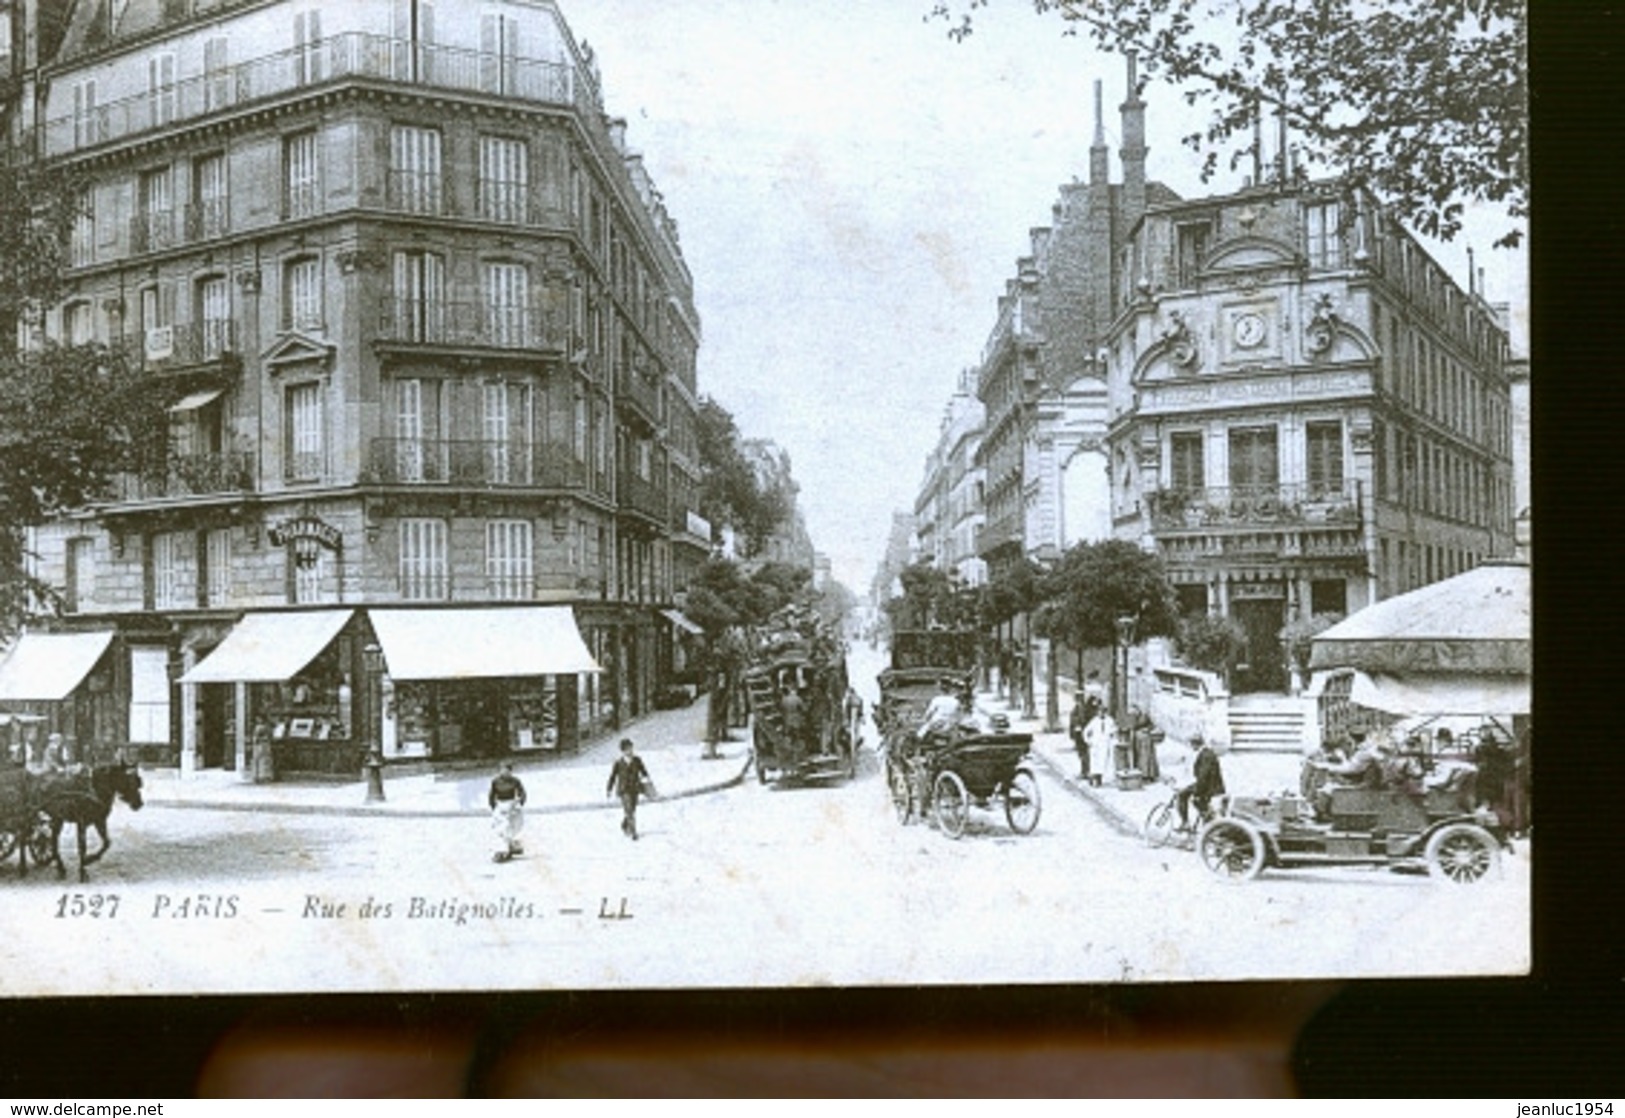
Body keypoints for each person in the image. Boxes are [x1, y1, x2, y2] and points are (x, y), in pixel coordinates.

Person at [606, 738, 653, 840]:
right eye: (627, 749)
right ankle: (633, 832)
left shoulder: (637, 760)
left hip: (635, 789)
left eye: (631, 748)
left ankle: (624, 824)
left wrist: (647, 780)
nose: (630, 751)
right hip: (623, 790)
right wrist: (609, 789)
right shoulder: (618, 763)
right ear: (623, 751)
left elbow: (644, 771)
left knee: (632, 809)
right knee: (629, 811)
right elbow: (613, 777)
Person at [1176, 732, 1225, 829]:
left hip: (1210, 787)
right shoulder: (1205, 752)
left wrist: (1197, 791)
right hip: (1209, 784)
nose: (1191, 747)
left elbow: (1203, 776)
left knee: (1182, 795)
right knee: (1196, 800)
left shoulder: (1206, 755)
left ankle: (1186, 823)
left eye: (1192, 744)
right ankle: (1207, 821)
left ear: (1195, 744)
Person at [487, 762, 527, 863]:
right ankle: (501, 851)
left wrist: (520, 803)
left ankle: (511, 845)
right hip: (501, 806)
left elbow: (522, 793)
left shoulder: (515, 781)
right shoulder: (495, 782)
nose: (505, 772)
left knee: (513, 826)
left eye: (507, 770)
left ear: (510, 771)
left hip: (512, 805)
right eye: (502, 770)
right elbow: (491, 795)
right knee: (502, 828)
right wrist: (494, 807)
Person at [917, 677, 965, 741]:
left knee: (921, 733)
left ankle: (919, 743)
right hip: (948, 724)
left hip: (936, 723)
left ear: (940, 689)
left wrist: (925, 718)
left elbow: (929, 713)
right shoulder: (955, 701)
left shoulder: (937, 700)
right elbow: (958, 715)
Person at [1068, 691, 1102, 780]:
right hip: (1079, 734)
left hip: (1083, 733)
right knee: (1082, 753)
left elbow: (1083, 721)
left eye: (1078, 697)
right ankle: (1085, 771)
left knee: (1084, 753)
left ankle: (1086, 771)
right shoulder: (1078, 708)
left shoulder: (1085, 709)